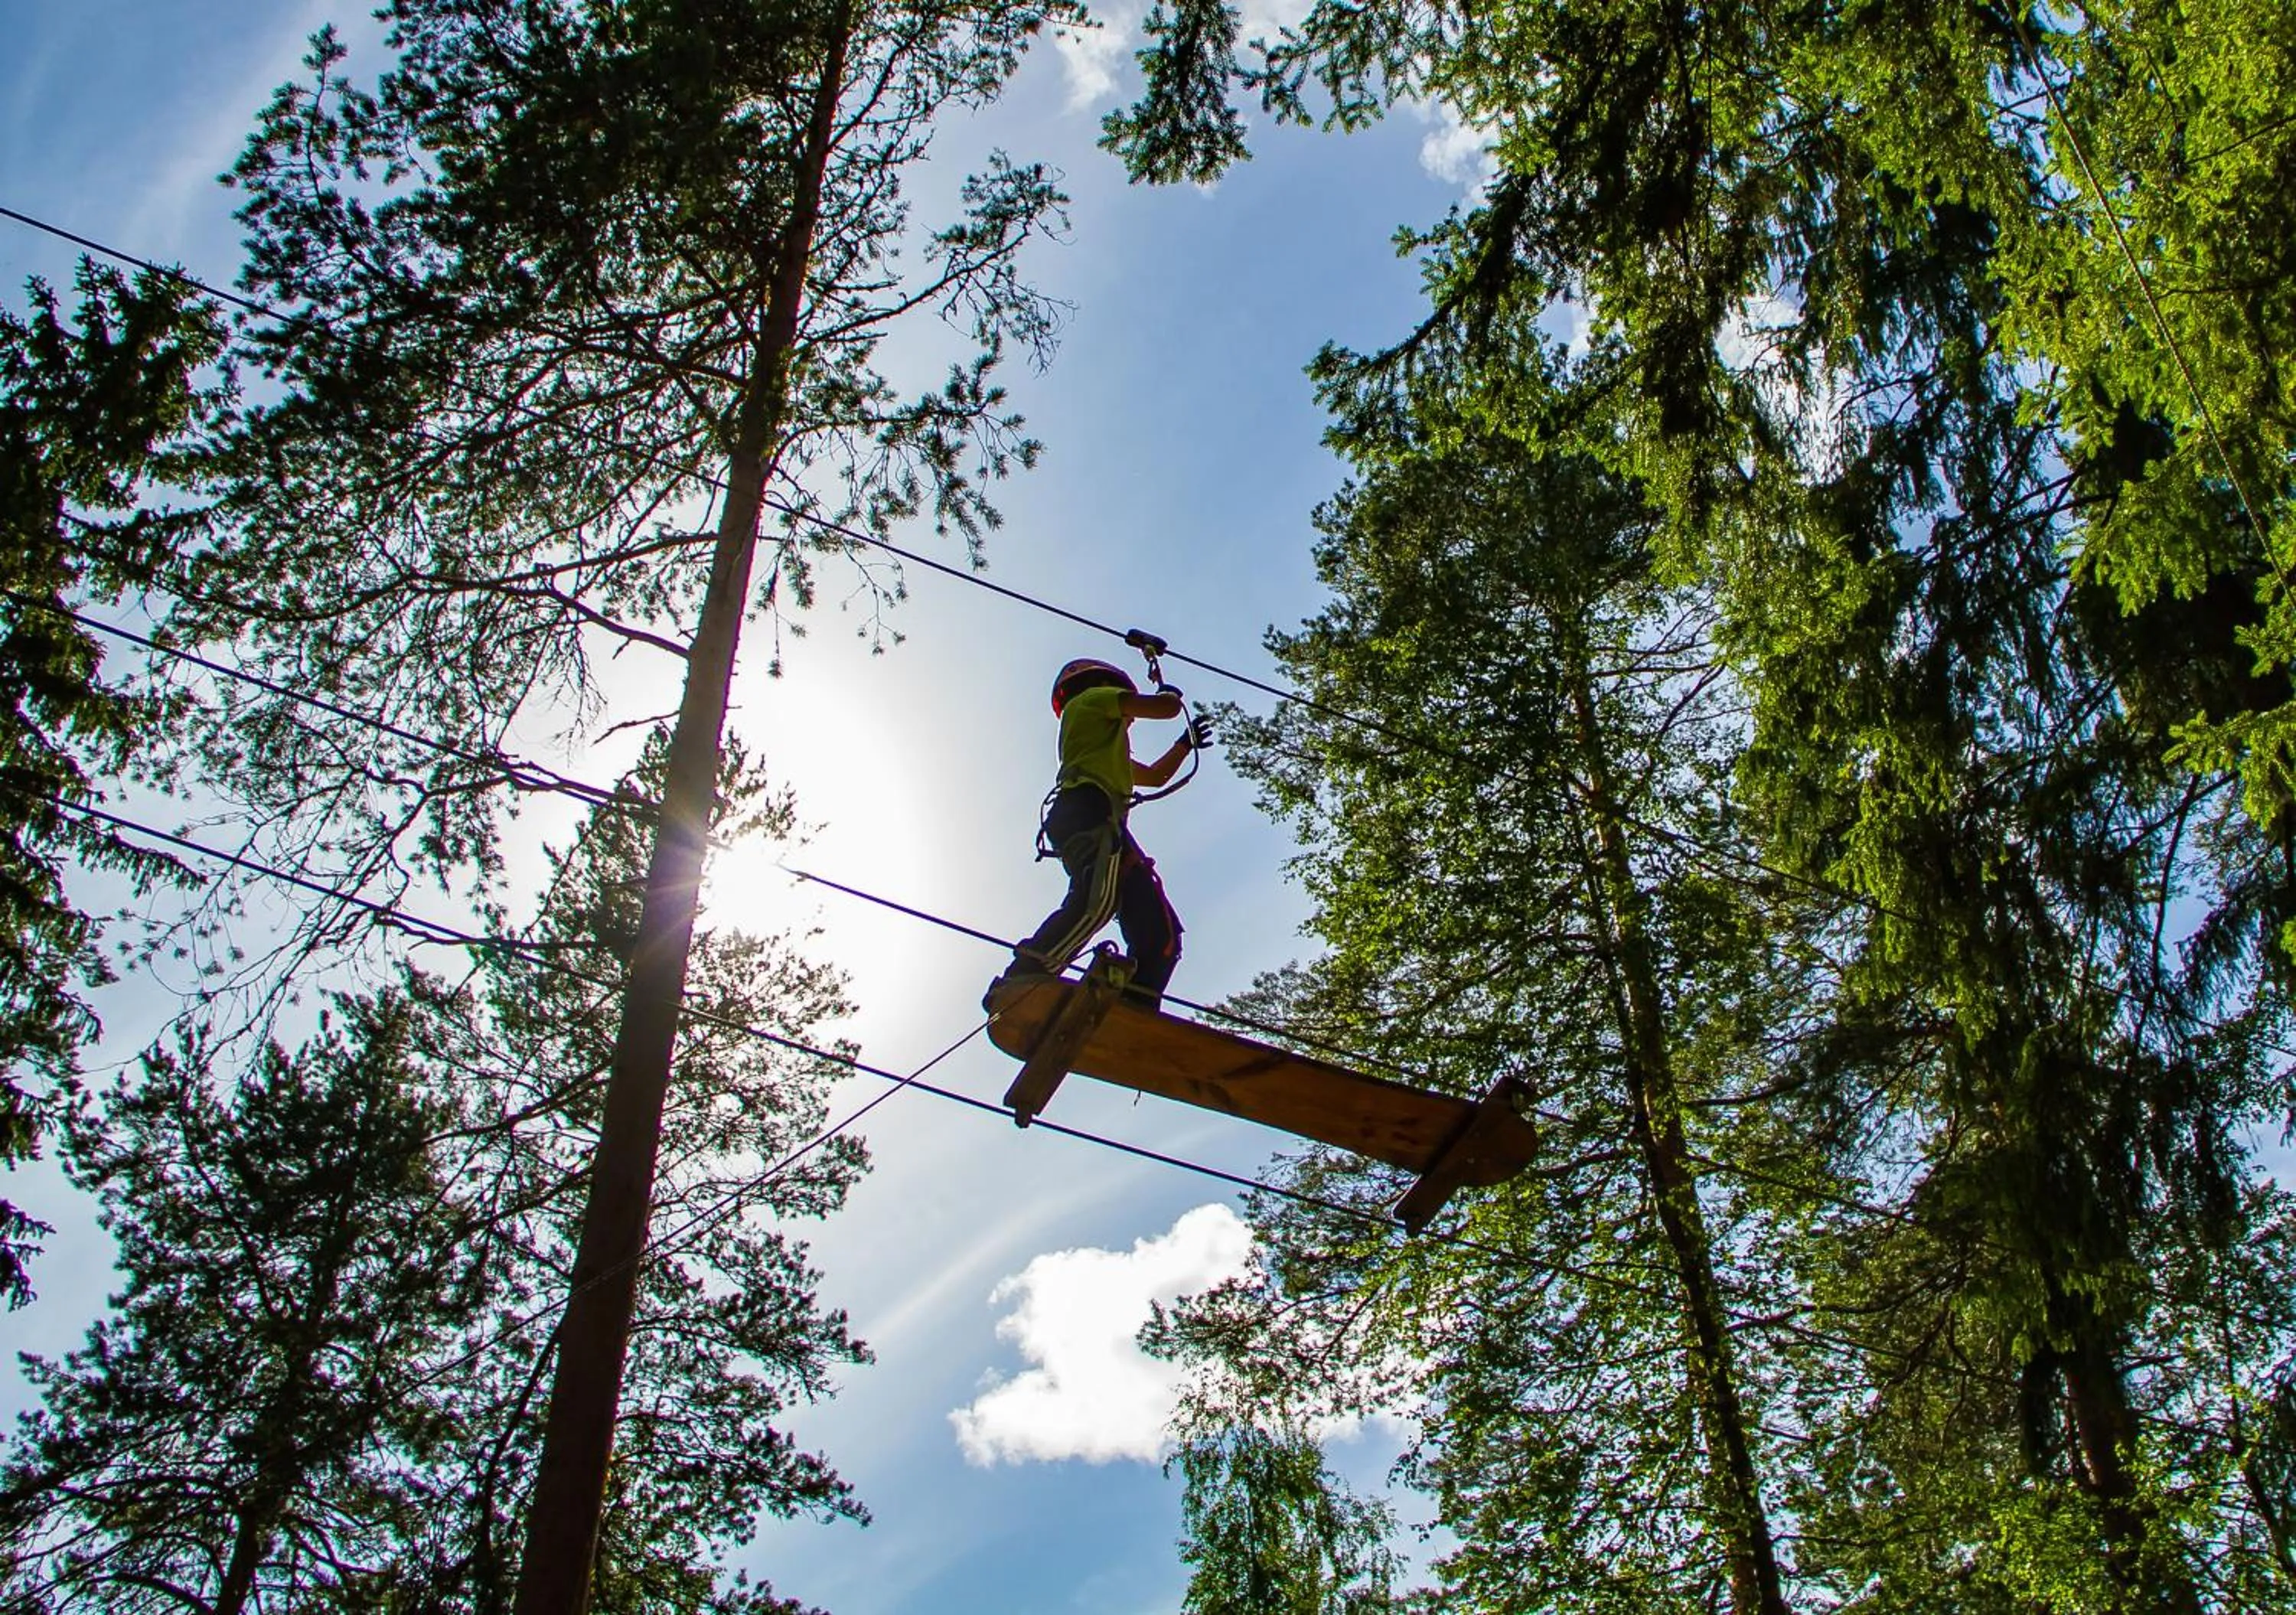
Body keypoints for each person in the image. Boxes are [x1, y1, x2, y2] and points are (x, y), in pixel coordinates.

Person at [985, 656, 1214, 1010]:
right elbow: (1167, 708)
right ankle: (1027, 972)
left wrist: (1183, 746)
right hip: (1086, 810)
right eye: (1128, 712)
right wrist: (1167, 693)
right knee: (1098, 901)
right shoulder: (1090, 701)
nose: (1131, 720)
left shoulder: (1102, 741)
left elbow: (1154, 776)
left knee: (1161, 933)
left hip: (1105, 821)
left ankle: (1136, 1001)